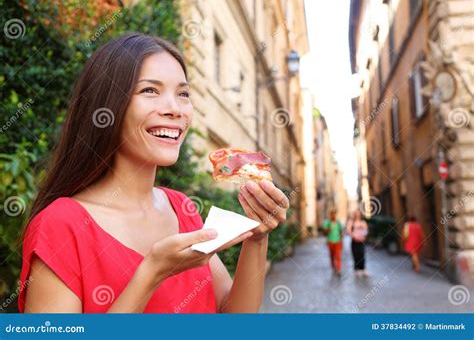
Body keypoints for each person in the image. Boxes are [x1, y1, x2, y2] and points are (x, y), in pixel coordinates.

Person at [18, 33, 290, 313]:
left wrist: (257, 238)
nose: (175, 109)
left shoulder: (182, 208)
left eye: (183, 94)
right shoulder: (60, 225)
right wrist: (152, 273)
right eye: (150, 90)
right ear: (108, 106)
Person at [346, 210, 369, 278]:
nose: (357, 215)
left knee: (362, 254)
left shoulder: (363, 222)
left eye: (358, 214)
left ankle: (363, 269)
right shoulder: (351, 222)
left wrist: (363, 237)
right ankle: (357, 269)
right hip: (354, 241)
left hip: (361, 241)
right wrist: (354, 236)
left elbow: (366, 230)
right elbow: (349, 230)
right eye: (356, 214)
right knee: (355, 255)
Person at [322, 209, 344, 275]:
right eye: (332, 214)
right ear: (330, 215)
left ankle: (338, 269)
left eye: (334, 214)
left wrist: (341, 239)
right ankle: (333, 266)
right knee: (332, 255)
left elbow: (341, 231)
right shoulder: (327, 222)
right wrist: (328, 229)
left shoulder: (338, 222)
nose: (333, 215)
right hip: (330, 241)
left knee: (338, 256)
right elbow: (324, 232)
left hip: (338, 241)